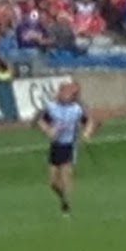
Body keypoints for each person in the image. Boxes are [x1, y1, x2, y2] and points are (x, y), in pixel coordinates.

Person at [36, 80, 94, 216]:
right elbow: (41, 121)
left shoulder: (76, 109)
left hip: (68, 145)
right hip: (55, 145)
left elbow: (89, 121)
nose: (67, 96)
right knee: (52, 182)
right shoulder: (51, 107)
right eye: (64, 92)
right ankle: (62, 197)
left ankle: (67, 203)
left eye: (70, 93)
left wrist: (86, 133)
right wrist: (48, 130)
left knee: (65, 176)